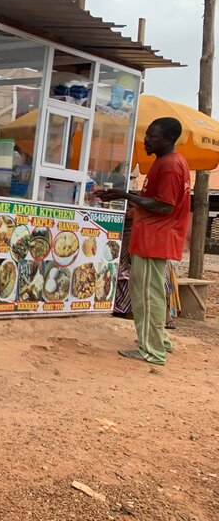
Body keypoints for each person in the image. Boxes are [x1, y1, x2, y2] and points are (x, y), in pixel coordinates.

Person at [96, 117, 190, 366]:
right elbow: (156, 198)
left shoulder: (170, 165)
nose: (146, 139)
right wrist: (123, 194)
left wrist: (126, 195)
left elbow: (164, 205)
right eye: (147, 134)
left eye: (152, 136)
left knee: (148, 295)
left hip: (155, 237)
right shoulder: (168, 162)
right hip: (152, 236)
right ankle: (159, 342)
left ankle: (152, 351)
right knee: (149, 292)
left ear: (168, 139)